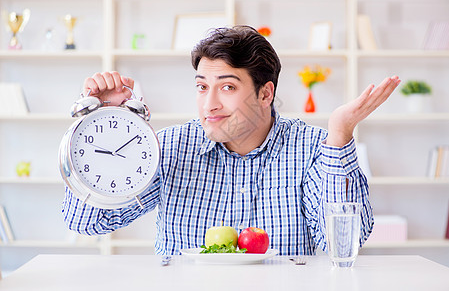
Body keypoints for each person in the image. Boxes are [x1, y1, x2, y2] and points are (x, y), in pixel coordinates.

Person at [62, 25, 400, 256]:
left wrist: (340, 137)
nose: (209, 103)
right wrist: (104, 121)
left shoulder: (313, 147)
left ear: (265, 92)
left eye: (227, 87)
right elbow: (86, 223)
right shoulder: (168, 148)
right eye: (201, 86)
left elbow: (344, 243)